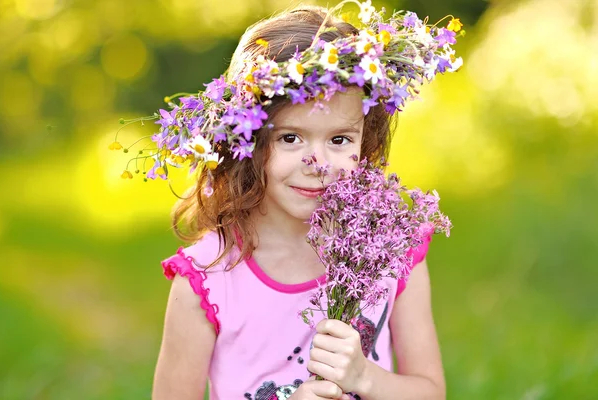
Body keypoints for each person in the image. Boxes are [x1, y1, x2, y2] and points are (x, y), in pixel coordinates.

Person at [146, 1, 462, 398]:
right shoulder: (207, 279)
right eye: (290, 138)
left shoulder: (391, 251)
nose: (318, 163)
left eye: (339, 139)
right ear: (247, 141)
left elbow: (430, 392)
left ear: (366, 138)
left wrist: (366, 378)